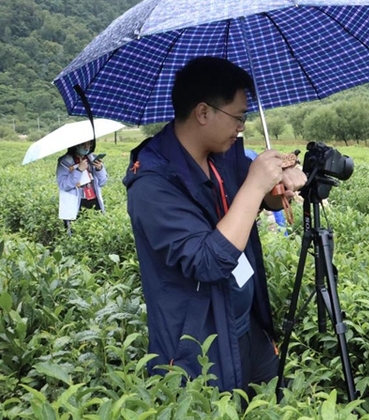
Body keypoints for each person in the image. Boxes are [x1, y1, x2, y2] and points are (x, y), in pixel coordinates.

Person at [123, 56, 307, 395]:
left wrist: (274, 187)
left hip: (249, 326)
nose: (242, 127)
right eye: (238, 117)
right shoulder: (152, 184)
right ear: (203, 112)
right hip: (200, 347)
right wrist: (254, 185)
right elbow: (207, 261)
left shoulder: (222, 156)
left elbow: (245, 208)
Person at [56, 140, 107, 235]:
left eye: (89, 144)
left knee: (96, 234)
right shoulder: (65, 162)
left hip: (94, 201)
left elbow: (103, 182)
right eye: (83, 144)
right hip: (75, 204)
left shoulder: (92, 158)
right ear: (75, 145)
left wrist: (99, 169)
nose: (87, 147)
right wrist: (79, 170)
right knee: (76, 235)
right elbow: (64, 185)